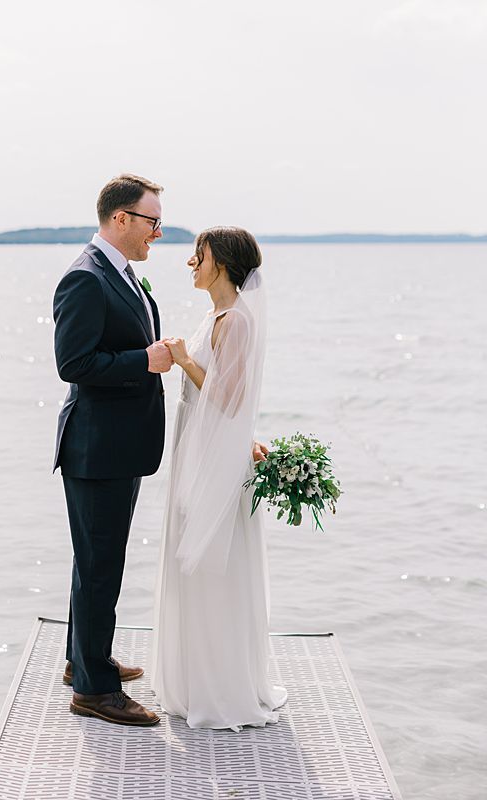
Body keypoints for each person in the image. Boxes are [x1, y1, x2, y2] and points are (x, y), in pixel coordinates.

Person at [152, 227, 288, 731]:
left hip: (210, 456)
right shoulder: (217, 316)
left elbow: (228, 400)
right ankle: (192, 678)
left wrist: (184, 360)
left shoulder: (238, 321)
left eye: (200, 255)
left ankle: (219, 685)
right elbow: (235, 405)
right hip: (201, 448)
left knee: (210, 569)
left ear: (224, 264)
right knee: (192, 566)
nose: (191, 262)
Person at [53, 173, 172, 727]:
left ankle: (84, 662)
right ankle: (95, 692)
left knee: (94, 561)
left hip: (115, 447)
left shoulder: (120, 274)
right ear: (119, 219)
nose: (159, 233)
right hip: (97, 449)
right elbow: (73, 365)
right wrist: (143, 361)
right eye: (152, 222)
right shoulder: (85, 278)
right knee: (101, 565)